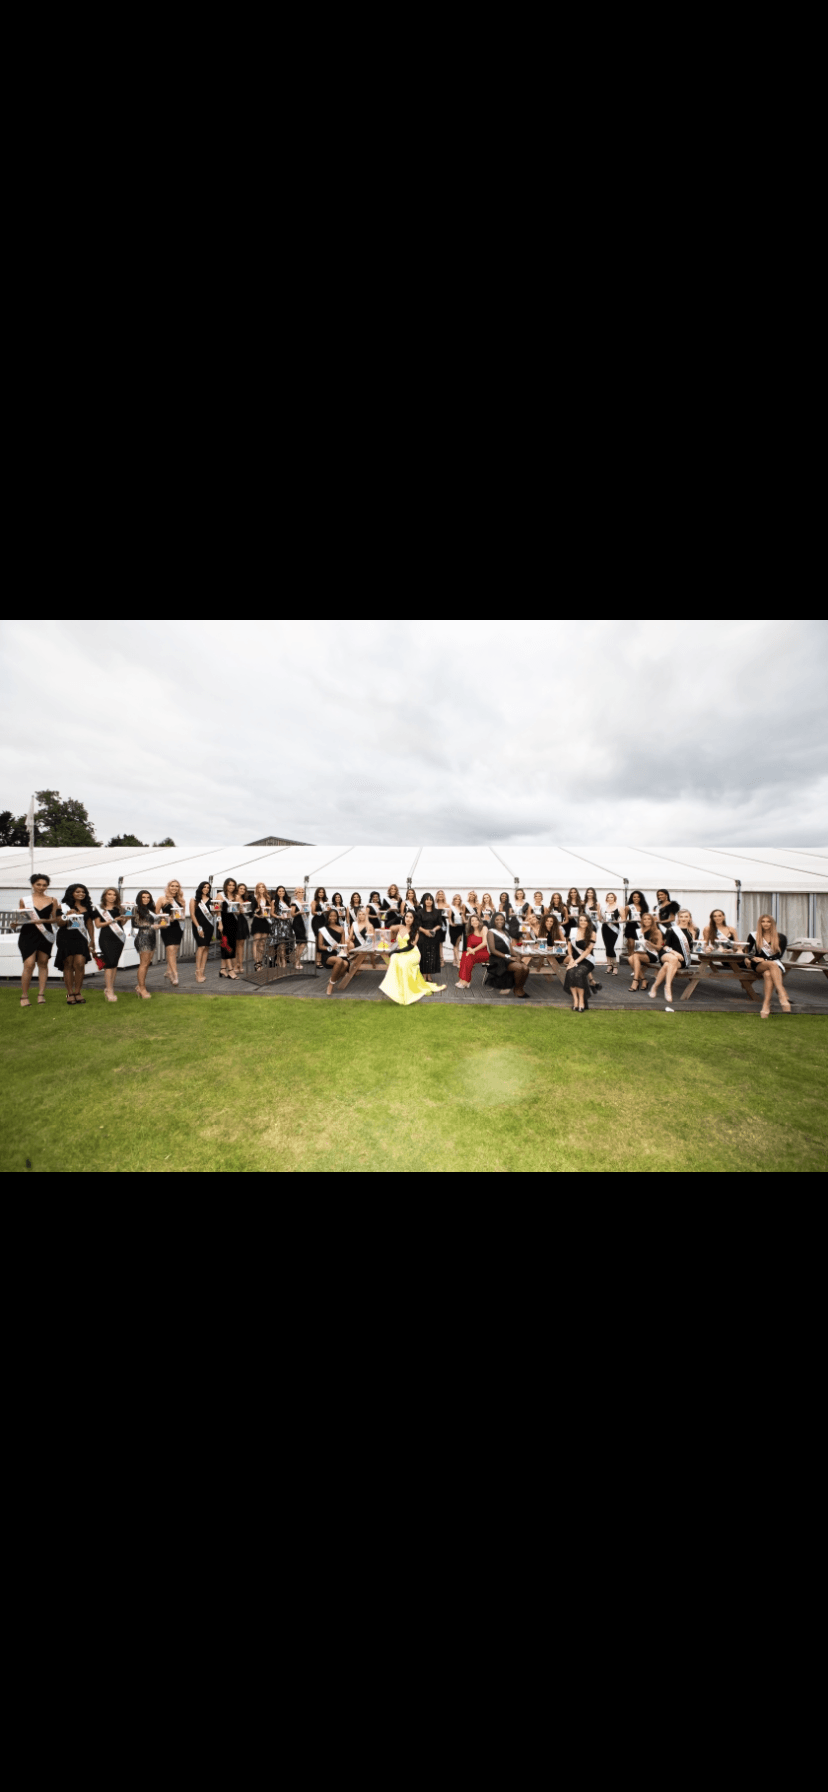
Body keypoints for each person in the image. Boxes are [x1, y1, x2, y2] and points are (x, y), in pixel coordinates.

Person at [379, 914, 446, 1005]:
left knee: (403, 963)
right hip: (402, 952)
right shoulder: (400, 927)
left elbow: (410, 947)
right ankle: (395, 988)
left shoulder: (415, 931)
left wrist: (396, 951)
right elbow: (388, 926)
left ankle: (407, 991)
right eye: (407, 916)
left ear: (414, 919)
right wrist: (397, 918)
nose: (408, 919)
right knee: (394, 959)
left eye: (411, 917)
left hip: (412, 953)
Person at [16, 872, 57, 1007]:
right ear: (33, 885)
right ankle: (24, 995)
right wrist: (15, 923)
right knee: (29, 964)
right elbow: (21, 918)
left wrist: (43, 920)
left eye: (44, 885)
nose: (41, 887)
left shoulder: (52, 900)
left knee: (43, 963)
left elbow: (55, 919)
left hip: (45, 934)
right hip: (28, 934)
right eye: (38, 884)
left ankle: (41, 994)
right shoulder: (24, 900)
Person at [55, 884, 95, 1005]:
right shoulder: (62, 906)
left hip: (81, 938)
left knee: (80, 964)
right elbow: (59, 923)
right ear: (71, 893)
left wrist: (92, 940)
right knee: (68, 964)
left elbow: (89, 924)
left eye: (83, 892)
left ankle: (78, 992)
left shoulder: (87, 907)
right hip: (65, 938)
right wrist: (67, 916)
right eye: (77, 892)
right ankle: (70, 993)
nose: (81, 894)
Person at [650, 910, 698, 1009]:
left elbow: (695, 947)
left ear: (690, 918)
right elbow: (665, 946)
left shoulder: (694, 931)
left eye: (686, 916)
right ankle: (667, 987)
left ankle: (655, 986)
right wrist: (675, 953)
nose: (683, 919)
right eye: (681, 916)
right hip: (668, 953)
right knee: (673, 959)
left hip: (683, 959)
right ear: (678, 918)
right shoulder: (671, 930)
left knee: (667, 965)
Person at [747, 915, 790, 1017]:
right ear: (760, 923)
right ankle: (782, 994)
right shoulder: (753, 935)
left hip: (774, 963)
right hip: (758, 964)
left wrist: (766, 959)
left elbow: (779, 955)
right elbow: (748, 952)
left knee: (767, 974)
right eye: (763, 921)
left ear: (772, 924)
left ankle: (766, 1005)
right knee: (771, 964)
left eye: (768, 922)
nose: (765, 924)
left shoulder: (781, 937)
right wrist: (752, 958)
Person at [94, 888, 128, 1002]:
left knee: (114, 964)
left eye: (114, 895)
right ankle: (109, 990)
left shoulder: (120, 908)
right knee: (109, 963)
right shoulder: (99, 909)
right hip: (106, 938)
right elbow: (98, 925)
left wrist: (127, 918)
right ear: (105, 895)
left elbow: (122, 923)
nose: (112, 896)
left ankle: (110, 988)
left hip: (119, 937)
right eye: (109, 894)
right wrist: (112, 920)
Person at [486, 914, 531, 998]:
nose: (499, 921)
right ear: (493, 921)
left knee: (526, 968)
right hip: (497, 958)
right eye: (497, 920)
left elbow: (511, 949)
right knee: (519, 967)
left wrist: (517, 956)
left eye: (501, 919)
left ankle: (519, 988)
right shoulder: (491, 932)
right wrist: (508, 957)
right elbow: (492, 950)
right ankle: (517, 990)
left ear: (504, 921)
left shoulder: (506, 933)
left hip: (508, 957)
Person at [564, 915, 597, 1012]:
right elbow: (569, 946)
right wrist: (571, 958)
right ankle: (575, 1000)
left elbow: (587, 952)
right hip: (574, 958)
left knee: (578, 974)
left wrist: (574, 962)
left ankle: (582, 1000)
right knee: (570, 972)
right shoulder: (573, 931)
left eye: (585, 920)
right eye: (581, 920)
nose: (582, 922)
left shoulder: (592, 933)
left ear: (588, 922)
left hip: (587, 960)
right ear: (578, 922)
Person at [131, 891, 159, 999]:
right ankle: (142, 988)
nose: (146, 899)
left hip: (152, 938)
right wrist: (150, 926)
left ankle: (140, 986)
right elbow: (135, 923)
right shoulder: (136, 909)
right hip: (143, 938)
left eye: (148, 897)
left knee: (147, 964)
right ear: (139, 898)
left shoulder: (150, 909)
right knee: (143, 964)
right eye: (143, 897)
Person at [157, 880, 186, 986]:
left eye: (176, 886)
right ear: (168, 887)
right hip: (167, 927)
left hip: (178, 927)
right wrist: (168, 918)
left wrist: (180, 917)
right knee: (170, 949)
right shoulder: (162, 899)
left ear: (179, 888)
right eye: (172, 886)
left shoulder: (181, 900)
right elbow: (156, 914)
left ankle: (169, 971)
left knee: (174, 951)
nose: (174, 888)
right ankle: (175, 974)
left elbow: (183, 915)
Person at [628, 914, 664, 991]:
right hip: (642, 952)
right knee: (630, 959)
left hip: (653, 954)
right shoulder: (640, 931)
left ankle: (635, 981)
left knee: (635, 956)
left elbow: (659, 947)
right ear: (642, 921)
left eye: (649, 919)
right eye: (645, 919)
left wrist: (650, 944)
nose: (647, 921)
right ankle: (644, 980)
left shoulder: (657, 931)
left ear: (652, 921)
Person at [319, 909, 349, 995]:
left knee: (346, 964)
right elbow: (320, 946)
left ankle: (332, 979)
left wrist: (346, 951)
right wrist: (330, 948)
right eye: (331, 916)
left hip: (338, 953)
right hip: (327, 954)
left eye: (335, 916)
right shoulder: (323, 930)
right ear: (328, 917)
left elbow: (343, 945)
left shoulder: (341, 929)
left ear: (337, 917)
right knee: (339, 961)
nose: (333, 917)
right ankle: (331, 985)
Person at [189, 881, 214, 982]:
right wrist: (199, 927)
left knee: (206, 948)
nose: (206, 889)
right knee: (201, 947)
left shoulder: (212, 900)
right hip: (198, 926)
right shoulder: (194, 900)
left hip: (209, 926)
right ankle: (198, 972)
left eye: (208, 887)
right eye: (204, 887)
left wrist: (217, 909)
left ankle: (202, 971)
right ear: (200, 888)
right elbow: (192, 915)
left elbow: (212, 914)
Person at [415, 893, 443, 981]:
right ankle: (424, 974)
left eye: (430, 899)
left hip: (433, 935)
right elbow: (417, 925)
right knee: (423, 955)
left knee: (432, 955)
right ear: (424, 901)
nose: (429, 901)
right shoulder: (420, 912)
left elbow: (440, 924)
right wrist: (425, 931)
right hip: (422, 936)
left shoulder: (437, 911)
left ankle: (429, 974)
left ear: (433, 901)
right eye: (427, 899)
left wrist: (433, 930)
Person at [457, 915, 489, 989]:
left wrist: (473, 950)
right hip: (476, 953)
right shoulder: (470, 932)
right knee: (465, 955)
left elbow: (484, 943)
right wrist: (470, 950)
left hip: (485, 953)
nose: (475, 922)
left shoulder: (484, 928)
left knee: (468, 956)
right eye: (472, 920)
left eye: (476, 920)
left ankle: (466, 981)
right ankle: (463, 980)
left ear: (479, 921)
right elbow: (469, 945)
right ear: (470, 923)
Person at [220, 878, 240, 979]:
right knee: (226, 946)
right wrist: (219, 923)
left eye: (233, 885)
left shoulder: (236, 896)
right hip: (223, 924)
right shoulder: (220, 895)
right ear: (226, 886)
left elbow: (237, 912)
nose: (231, 887)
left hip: (233, 923)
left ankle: (223, 969)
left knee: (231, 946)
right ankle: (230, 970)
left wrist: (236, 908)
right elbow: (217, 911)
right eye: (229, 885)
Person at [250, 884, 273, 970]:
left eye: (263, 887)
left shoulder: (268, 898)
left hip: (266, 921)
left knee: (263, 943)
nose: (261, 888)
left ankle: (260, 961)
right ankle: (256, 963)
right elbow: (251, 911)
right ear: (257, 889)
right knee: (256, 942)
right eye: (259, 887)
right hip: (257, 921)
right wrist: (256, 914)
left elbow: (270, 911)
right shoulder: (254, 898)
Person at [623, 891, 649, 964]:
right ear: (632, 898)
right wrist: (630, 920)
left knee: (639, 946)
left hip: (640, 927)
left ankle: (638, 961)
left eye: (638, 897)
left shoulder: (644, 906)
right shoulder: (628, 907)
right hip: (631, 927)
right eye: (634, 897)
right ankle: (631, 960)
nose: (636, 898)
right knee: (631, 945)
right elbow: (624, 918)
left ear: (641, 898)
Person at [601, 895, 623, 975]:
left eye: (611, 897)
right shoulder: (603, 908)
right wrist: (602, 919)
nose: (610, 899)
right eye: (608, 897)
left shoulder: (619, 907)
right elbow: (600, 919)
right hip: (605, 928)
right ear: (606, 899)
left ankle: (615, 967)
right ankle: (609, 966)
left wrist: (616, 921)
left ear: (615, 898)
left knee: (611, 947)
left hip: (614, 929)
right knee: (607, 947)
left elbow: (624, 919)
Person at [448, 896, 467, 966]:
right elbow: (449, 919)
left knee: (457, 944)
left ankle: (455, 960)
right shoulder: (451, 908)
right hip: (453, 928)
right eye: (456, 899)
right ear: (454, 900)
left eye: (459, 899)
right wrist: (452, 924)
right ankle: (458, 962)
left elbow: (463, 919)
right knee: (455, 944)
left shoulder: (461, 908)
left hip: (460, 927)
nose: (457, 900)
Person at [289, 902, 308, 969]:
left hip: (303, 923)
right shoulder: (294, 903)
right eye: (299, 892)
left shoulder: (305, 903)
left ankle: (296, 960)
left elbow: (306, 914)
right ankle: (297, 961)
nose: (301, 896)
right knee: (302, 942)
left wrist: (306, 912)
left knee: (300, 944)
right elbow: (292, 914)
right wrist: (298, 912)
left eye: (302, 896)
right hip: (297, 923)